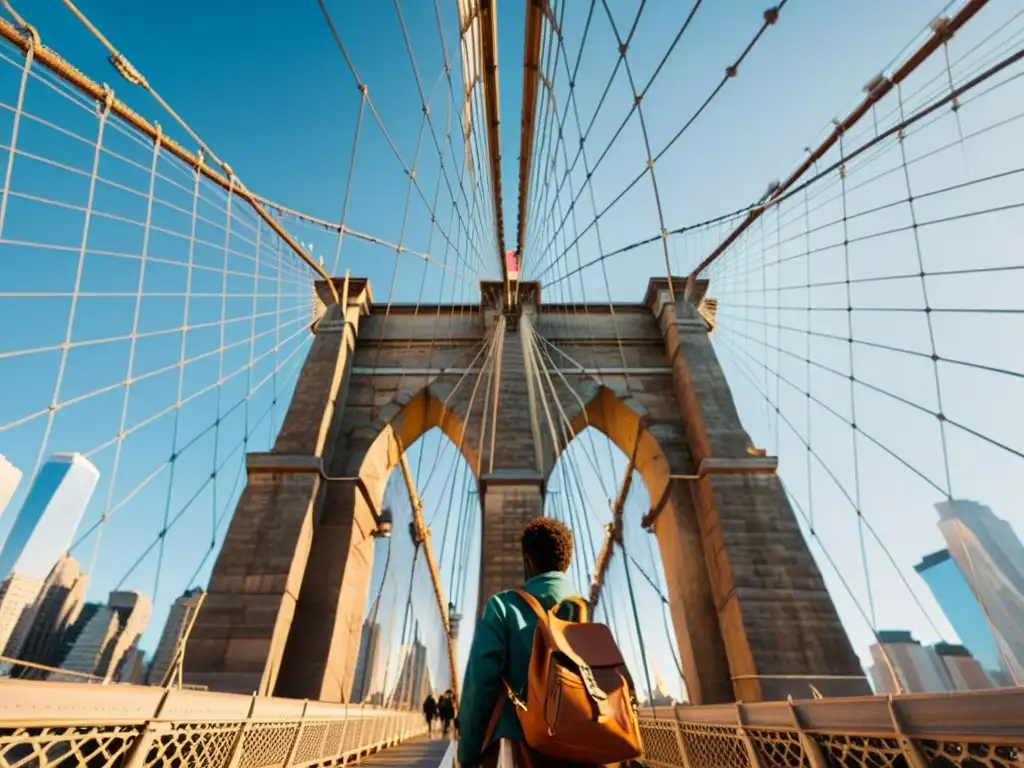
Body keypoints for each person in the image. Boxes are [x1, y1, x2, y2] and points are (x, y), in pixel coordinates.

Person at [457, 517, 582, 767]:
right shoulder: (584, 612)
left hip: (520, 751)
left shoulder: (503, 607)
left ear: (527, 561)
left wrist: (466, 757)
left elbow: (479, 688)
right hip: (583, 748)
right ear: (566, 563)